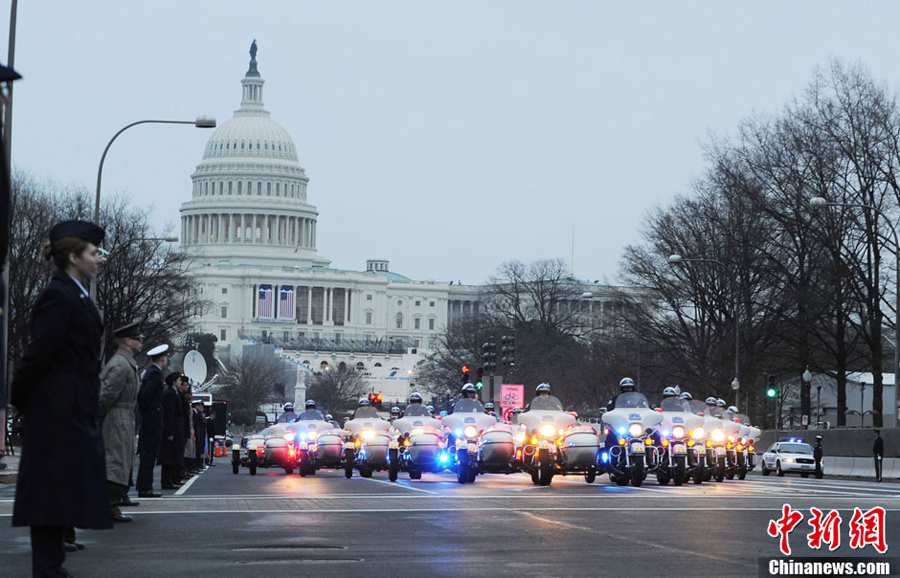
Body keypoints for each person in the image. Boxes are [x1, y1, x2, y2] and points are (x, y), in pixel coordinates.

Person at [9, 219, 113, 576]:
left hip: (69, 406)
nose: (100, 259)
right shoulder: (59, 295)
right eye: (93, 252)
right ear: (73, 256)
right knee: (50, 492)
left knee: (59, 490)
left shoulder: (75, 293)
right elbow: (39, 354)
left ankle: (52, 566)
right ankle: (49, 568)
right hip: (57, 408)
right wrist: (21, 398)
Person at [98, 321, 144, 523]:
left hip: (124, 416)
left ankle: (113, 505)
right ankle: (108, 506)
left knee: (120, 460)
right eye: (136, 338)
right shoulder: (120, 364)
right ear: (126, 342)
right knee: (115, 461)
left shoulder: (126, 363)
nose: (141, 341)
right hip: (116, 417)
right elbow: (105, 395)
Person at [136, 343, 169, 497]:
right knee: (149, 454)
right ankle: (145, 487)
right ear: (163, 359)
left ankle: (145, 485)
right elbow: (146, 396)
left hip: (149, 418)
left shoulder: (150, 373)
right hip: (152, 420)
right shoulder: (155, 374)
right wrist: (151, 411)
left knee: (147, 454)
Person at [158, 372, 186, 490]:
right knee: (169, 456)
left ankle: (170, 480)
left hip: (176, 428)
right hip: (172, 429)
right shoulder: (170, 394)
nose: (180, 382)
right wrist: (170, 432)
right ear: (174, 381)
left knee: (174, 455)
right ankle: (166, 481)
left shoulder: (175, 393)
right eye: (179, 380)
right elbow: (169, 414)